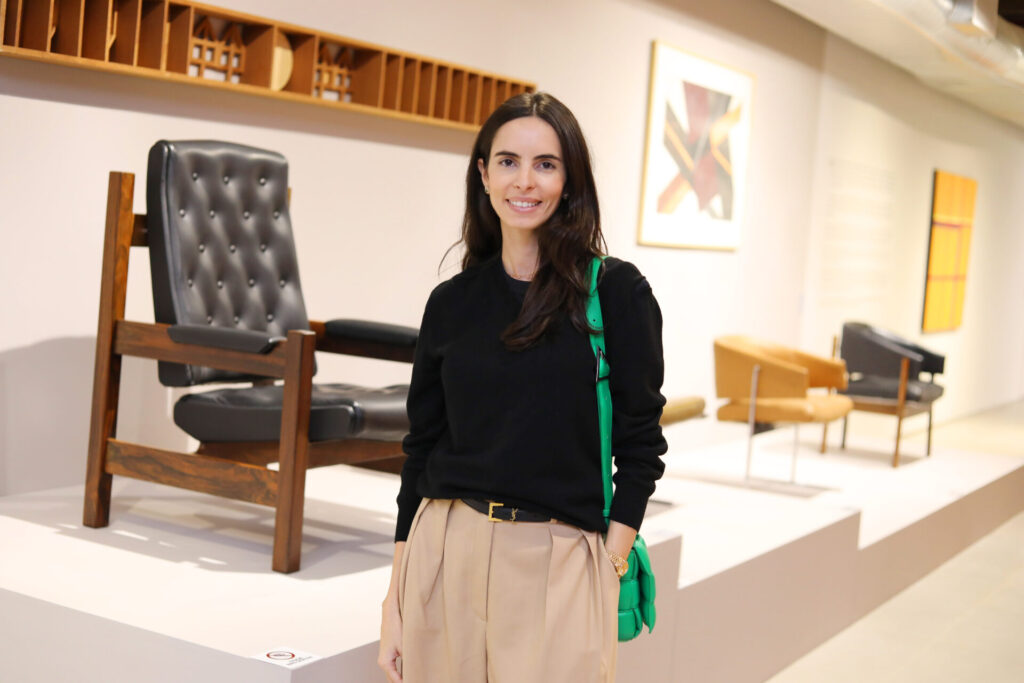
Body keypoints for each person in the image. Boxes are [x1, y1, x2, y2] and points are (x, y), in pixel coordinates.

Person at [378, 92, 667, 683]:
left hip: (561, 559)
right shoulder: (451, 302)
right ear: (483, 174)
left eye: (546, 164)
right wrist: (395, 595)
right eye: (508, 162)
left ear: (570, 179)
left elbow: (641, 448)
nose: (524, 181)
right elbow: (421, 449)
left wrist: (608, 567)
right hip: (446, 548)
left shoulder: (616, 293)